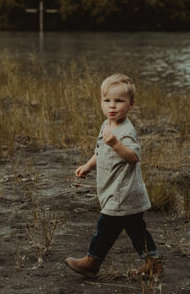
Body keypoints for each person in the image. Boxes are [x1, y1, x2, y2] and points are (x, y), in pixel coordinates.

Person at [65, 74, 162, 279]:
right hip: (115, 190)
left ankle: (92, 262)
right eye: (107, 100)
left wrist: (117, 145)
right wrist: (88, 165)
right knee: (136, 230)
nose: (112, 106)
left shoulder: (126, 131)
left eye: (119, 101)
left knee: (105, 227)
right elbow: (100, 151)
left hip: (122, 192)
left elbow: (133, 157)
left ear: (131, 105)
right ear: (101, 101)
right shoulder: (106, 125)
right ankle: (152, 261)